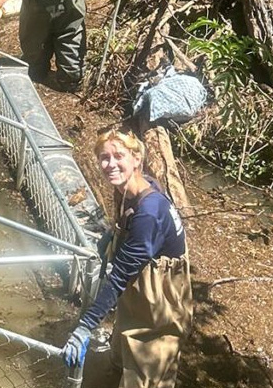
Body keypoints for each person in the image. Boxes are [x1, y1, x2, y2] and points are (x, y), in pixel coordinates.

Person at [61, 129, 193, 387]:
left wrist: (85, 326)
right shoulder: (132, 188)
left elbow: (120, 275)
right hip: (139, 291)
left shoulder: (149, 213)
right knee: (119, 357)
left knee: (147, 377)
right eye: (104, 157)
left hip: (161, 306)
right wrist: (110, 237)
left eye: (118, 156)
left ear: (136, 159)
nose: (110, 164)